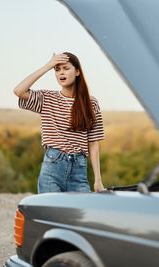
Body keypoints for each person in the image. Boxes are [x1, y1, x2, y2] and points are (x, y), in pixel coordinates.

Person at [13, 52, 105, 193]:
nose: (61, 73)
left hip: (79, 170)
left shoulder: (91, 103)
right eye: (57, 70)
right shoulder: (47, 98)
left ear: (77, 71)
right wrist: (47, 66)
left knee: (81, 213)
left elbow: (93, 143)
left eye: (66, 68)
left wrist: (98, 180)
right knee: (51, 214)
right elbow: (19, 91)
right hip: (52, 168)